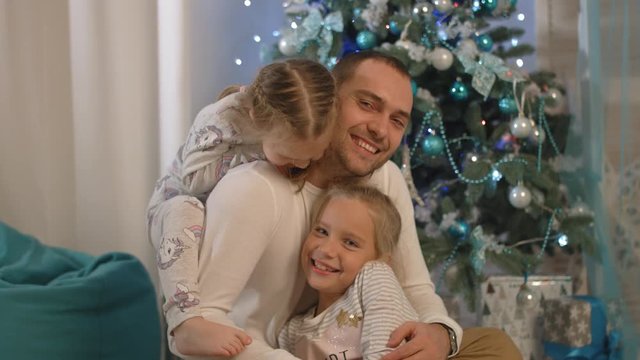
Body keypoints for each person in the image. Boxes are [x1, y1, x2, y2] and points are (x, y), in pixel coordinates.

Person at [177, 51, 522, 360]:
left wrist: (441, 334)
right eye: (368, 104)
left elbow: (415, 287)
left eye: (397, 120)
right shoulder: (254, 188)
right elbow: (202, 320)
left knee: (494, 346)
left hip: (354, 346)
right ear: (331, 101)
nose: (379, 129)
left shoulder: (384, 179)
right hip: (267, 353)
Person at [146, 58, 336, 357]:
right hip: (175, 212)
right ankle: (185, 324)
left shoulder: (301, 126)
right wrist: (255, 155)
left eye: (312, 158)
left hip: (213, 221)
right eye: (290, 156)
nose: (300, 165)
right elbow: (193, 181)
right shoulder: (219, 119)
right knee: (183, 208)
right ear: (257, 123)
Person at [278, 184, 421, 360]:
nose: (326, 250)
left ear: (381, 260)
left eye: (350, 243)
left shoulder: (376, 277)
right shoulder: (292, 334)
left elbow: (388, 354)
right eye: (322, 231)